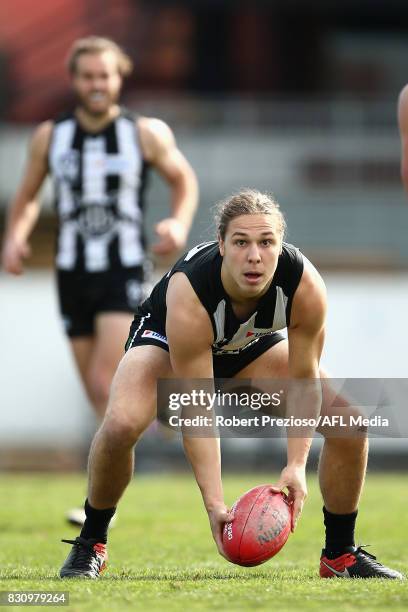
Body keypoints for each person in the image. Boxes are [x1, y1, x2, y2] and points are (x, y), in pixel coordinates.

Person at [59, 190, 402, 579]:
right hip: (166, 344)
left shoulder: (306, 287)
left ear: (280, 245)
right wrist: (215, 504)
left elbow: (305, 381)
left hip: (249, 346)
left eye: (266, 242)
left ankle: (340, 555)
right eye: (241, 242)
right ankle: (92, 543)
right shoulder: (191, 291)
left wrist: (295, 465)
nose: (254, 255)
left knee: (350, 423)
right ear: (221, 245)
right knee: (121, 423)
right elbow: (197, 407)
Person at [1, 37, 198, 524]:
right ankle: (121, 470)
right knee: (99, 396)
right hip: (72, 273)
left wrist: (176, 223)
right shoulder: (51, 137)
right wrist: (15, 237)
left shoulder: (145, 133)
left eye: (104, 76)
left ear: (119, 78)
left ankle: (103, 499)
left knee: (102, 378)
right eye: (87, 76)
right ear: (75, 80)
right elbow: (26, 196)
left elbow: (184, 180)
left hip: (124, 267)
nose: (96, 84)